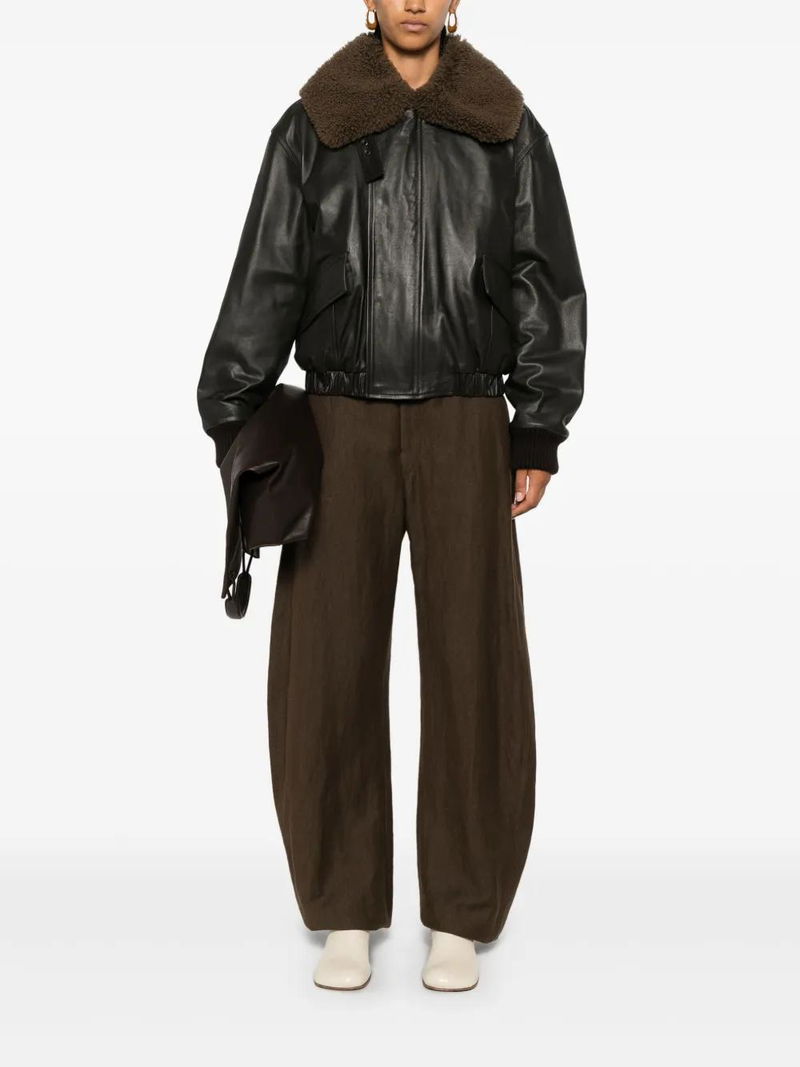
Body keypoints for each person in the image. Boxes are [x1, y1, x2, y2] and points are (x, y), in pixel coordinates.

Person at [196, 0, 586, 992]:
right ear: (366, 1)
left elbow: (545, 279)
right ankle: (342, 907)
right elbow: (267, 274)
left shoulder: (505, 126)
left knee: (475, 663)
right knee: (324, 665)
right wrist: (236, 417)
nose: (412, 0)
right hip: (340, 422)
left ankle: (461, 911)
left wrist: (536, 424)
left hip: (466, 420)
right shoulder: (312, 126)